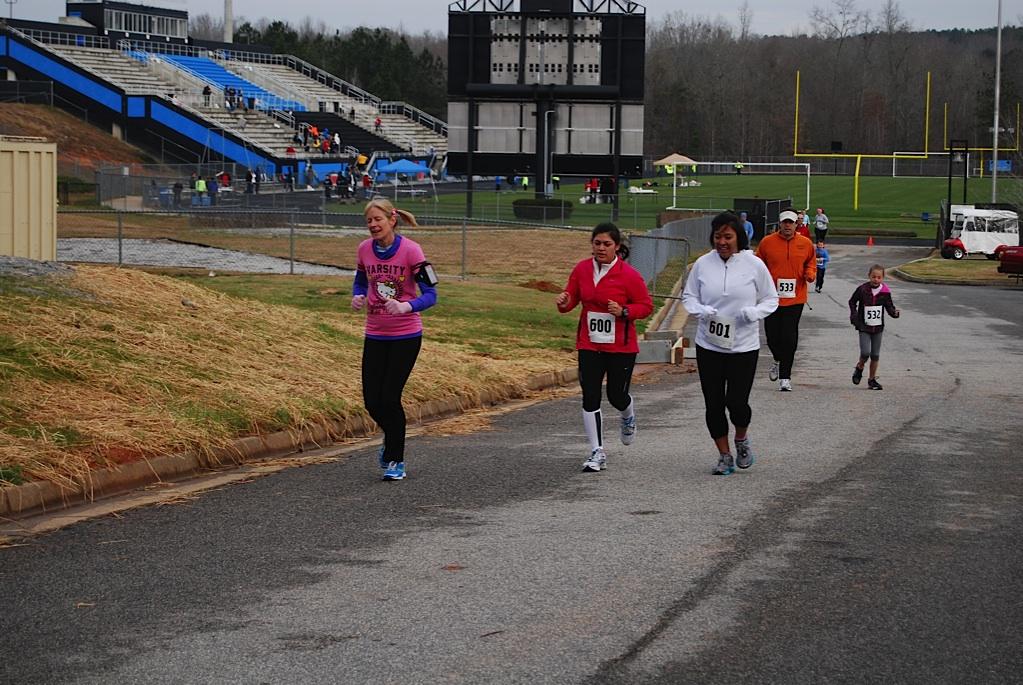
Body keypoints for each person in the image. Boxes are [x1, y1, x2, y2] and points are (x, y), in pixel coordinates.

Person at [683, 212, 778, 475]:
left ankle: (741, 439)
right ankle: (724, 455)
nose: (722, 242)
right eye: (717, 237)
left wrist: (754, 313)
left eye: (728, 237)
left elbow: (771, 298)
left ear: (738, 237)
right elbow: (688, 296)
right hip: (709, 344)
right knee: (713, 403)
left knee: (736, 402)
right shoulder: (702, 264)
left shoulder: (754, 264)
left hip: (743, 345)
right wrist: (700, 310)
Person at [555, 223, 653, 472]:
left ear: (617, 247)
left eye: (607, 244)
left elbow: (645, 305)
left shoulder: (629, 275)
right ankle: (597, 451)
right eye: (597, 243)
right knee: (590, 395)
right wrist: (564, 302)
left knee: (616, 396)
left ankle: (627, 414)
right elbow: (572, 298)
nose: (601, 248)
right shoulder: (582, 269)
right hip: (589, 343)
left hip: (620, 347)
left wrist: (624, 311)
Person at [351, 199, 438, 480]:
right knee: (372, 401)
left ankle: (395, 461)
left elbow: (431, 295)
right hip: (375, 333)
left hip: (405, 335)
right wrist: (358, 295)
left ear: (392, 219)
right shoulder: (365, 249)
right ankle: (392, 439)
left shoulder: (412, 251)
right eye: (369, 222)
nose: (373, 225)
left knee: (389, 397)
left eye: (378, 219)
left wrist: (406, 306)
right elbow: (361, 279)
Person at [755, 209, 816, 391]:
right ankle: (777, 359)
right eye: (785, 222)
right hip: (771, 297)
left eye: (791, 222)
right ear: (779, 224)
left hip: (795, 298)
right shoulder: (767, 242)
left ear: (796, 224)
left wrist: (810, 273)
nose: (788, 225)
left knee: (789, 337)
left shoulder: (805, 243)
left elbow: (811, 262)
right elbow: (758, 264)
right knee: (773, 336)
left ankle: (785, 377)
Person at [848, 264, 900, 390]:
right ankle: (859, 367)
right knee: (865, 352)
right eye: (873, 277)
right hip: (864, 326)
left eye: (878, 277)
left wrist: (894, 313)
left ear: (883, 278)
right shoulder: (862, 289)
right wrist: (854, 315)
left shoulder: (885, 292)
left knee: (875, 355)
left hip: (878, 327)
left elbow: (889, 306)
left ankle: (872, 380)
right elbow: (852, 301)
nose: (876, 279)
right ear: (869, 276)